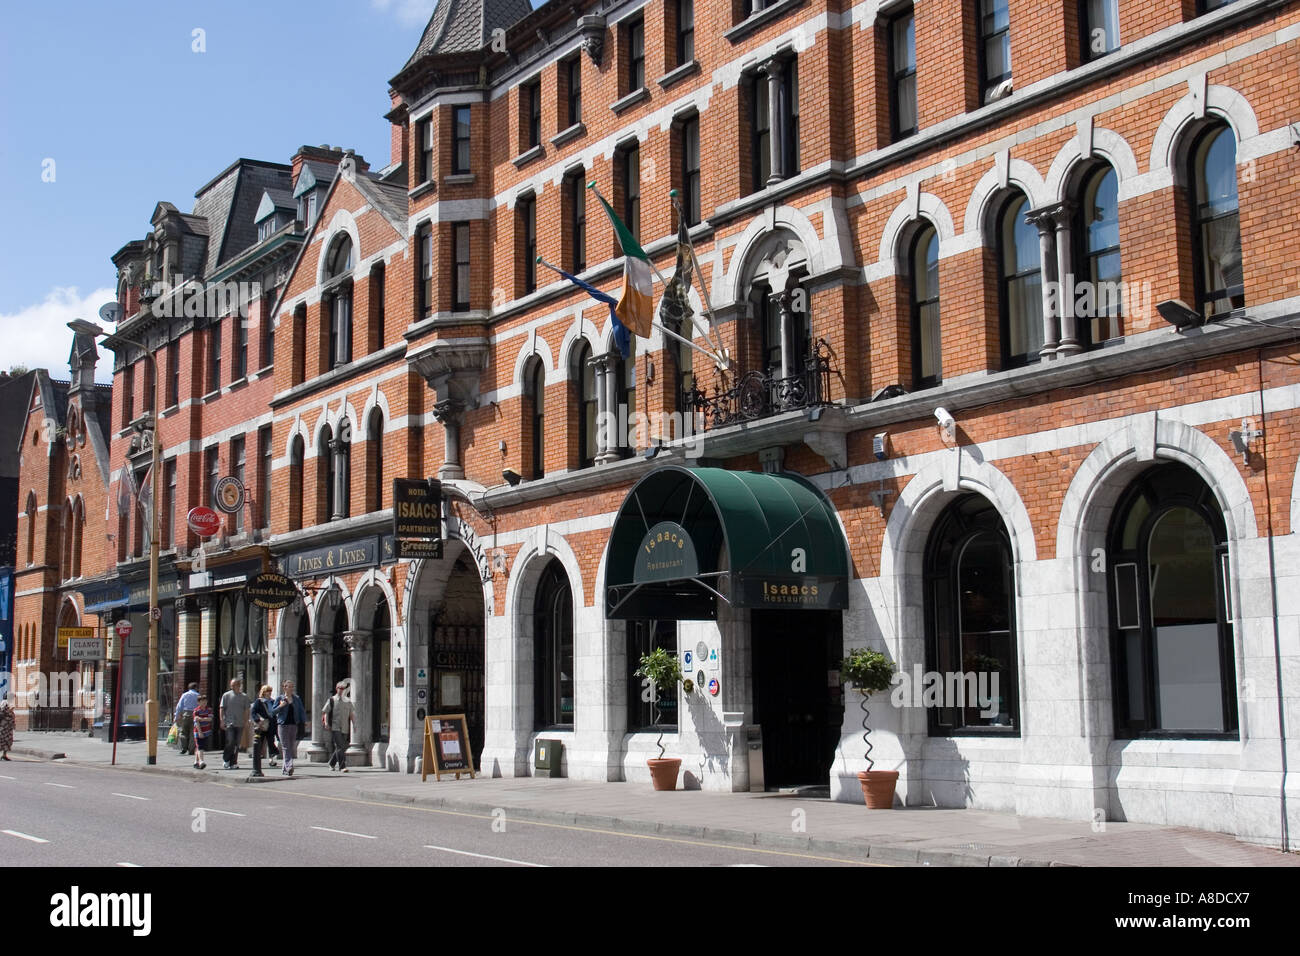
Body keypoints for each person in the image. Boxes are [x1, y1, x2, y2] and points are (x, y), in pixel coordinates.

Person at [273, 680, 306, 777]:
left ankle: (285, 768)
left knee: (291, 747)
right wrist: (281, 706)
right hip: (282, 725)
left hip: (293, 725)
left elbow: (301, 711)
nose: (291, 688)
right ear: (284, 687)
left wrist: (303, 722)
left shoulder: (296, 699)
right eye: (289, 686)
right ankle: (289, 766)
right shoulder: (280, 698)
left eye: (292, 687)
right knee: (286, 747)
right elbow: (272, 712)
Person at [322, 681, 355, 772]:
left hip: (345, 727)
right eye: (339, 688)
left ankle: (331, 763)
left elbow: (351, 714)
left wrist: (354, 725)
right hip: (335, 727)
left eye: (343, 688)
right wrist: (326, 723)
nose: (341, 690)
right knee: (340, 746)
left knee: (341, 747)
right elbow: (325, 712)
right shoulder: (331, 700)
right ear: (336, 689)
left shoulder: (348, 701)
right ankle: (342, 766)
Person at [249, 684, 281, 778]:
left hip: (271, 724)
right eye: (268, 691)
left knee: (271, 741)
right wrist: (258, 720)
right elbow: (253, 712)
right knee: (260, 741)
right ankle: (257, 759)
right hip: (262, 724)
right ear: (263, 692)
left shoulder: (273, 701)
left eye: (270, 691)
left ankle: (271, 760)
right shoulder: (259, 701)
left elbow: (275, 712)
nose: (269, 693)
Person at [219, 678, 250, 770]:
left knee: (237, 744)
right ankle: (226, 759)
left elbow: (247, 710)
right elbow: (221, 708)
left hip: (240, 723)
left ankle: (233, 762)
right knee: (230, 742)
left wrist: (246, 721)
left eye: (234, 685)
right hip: (230, 722)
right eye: (231, 685)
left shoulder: (244, 696)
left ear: (239, 685)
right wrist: (221, 720)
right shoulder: (226, 695)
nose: (232, 686)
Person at [174, 682, 199, 755]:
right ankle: (191, 750)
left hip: (186, 714)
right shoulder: (198, 695)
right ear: (196, 688)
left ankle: (184, 748)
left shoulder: (184, 695)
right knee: (192, 733)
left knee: (183, 732)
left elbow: (179, 706)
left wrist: (176, 716)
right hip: (195, 714)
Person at [191, 695, 214, 769]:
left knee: (199, 747)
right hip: (198, 731)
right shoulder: (196, 711)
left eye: (205, 701)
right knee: (200, 746)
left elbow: (210, 719)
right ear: (198, 702)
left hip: (206, 731)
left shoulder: (209, 710)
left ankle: (196, 762)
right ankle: (201, 761)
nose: (204, 703)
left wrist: (201, 719)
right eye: (202, 702)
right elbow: (196, 722)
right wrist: (200, 732)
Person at [0, 694, 15, 761]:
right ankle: (3, 755)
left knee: (7, 741)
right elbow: (2, 713)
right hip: (4, 727)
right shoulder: (5, 703)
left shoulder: (8, 703)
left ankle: (4, 755)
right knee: (2, 740)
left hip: (7, 727)